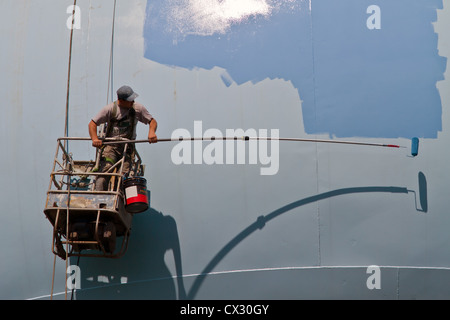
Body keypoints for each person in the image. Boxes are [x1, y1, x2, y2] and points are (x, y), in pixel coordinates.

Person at [89, 85, 157, 191]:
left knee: (123, 178)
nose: (133, 102)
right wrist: (95, 139)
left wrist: (151, 132)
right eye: (130, 100)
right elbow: (92, 124)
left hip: (127, 148)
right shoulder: (110, 109)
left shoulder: (137, 108)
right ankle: (99, 200)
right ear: (121, 100)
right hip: (111, 146)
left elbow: (152, 121)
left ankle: (118, 201)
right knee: (104, 174)